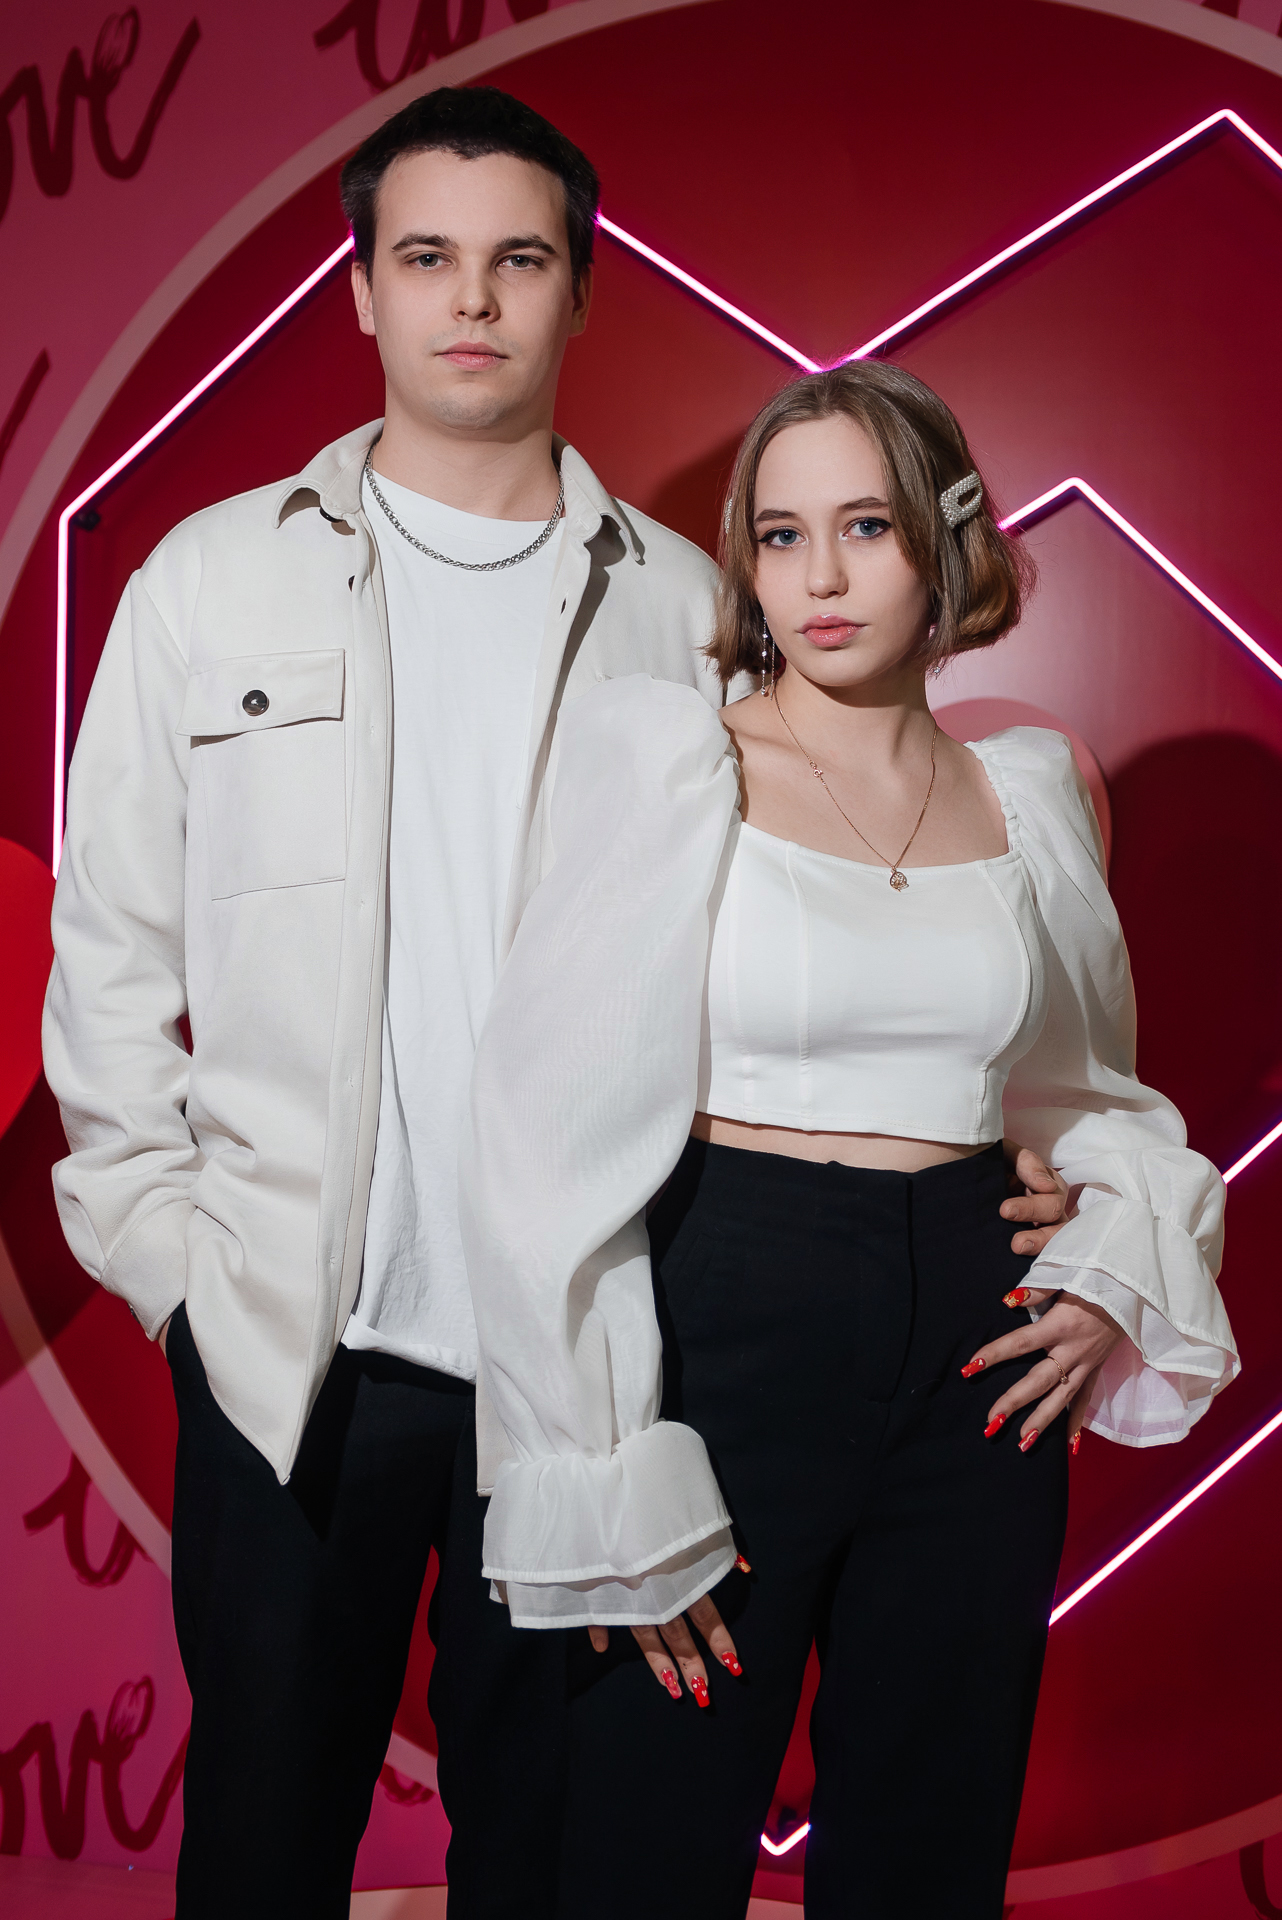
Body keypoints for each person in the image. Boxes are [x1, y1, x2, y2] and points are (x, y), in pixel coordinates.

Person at [40, 84, 739, 1919]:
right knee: (261, 1857)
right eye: (426, 257)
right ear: (360, 291)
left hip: (578, 1356)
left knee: (556, 1870)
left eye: (519, 259)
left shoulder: (684, 612)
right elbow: (109, 958)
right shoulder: (211, 579)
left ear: (580, 291)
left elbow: (760, 961)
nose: (472, 300)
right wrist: (180, 1276)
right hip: (293, 1358)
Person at [457, 362, 1239, 1919]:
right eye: (780, 534)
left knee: (928, 1843)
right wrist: (597, 1460)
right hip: (722, 1309)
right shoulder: (667, 759)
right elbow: (535, 1134)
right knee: (643, 1841)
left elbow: (1086, 1096)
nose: (818, 576)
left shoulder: (1026, 797)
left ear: (945, 541)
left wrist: (1105, 1264)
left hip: (972, 1343)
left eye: (865, 526)